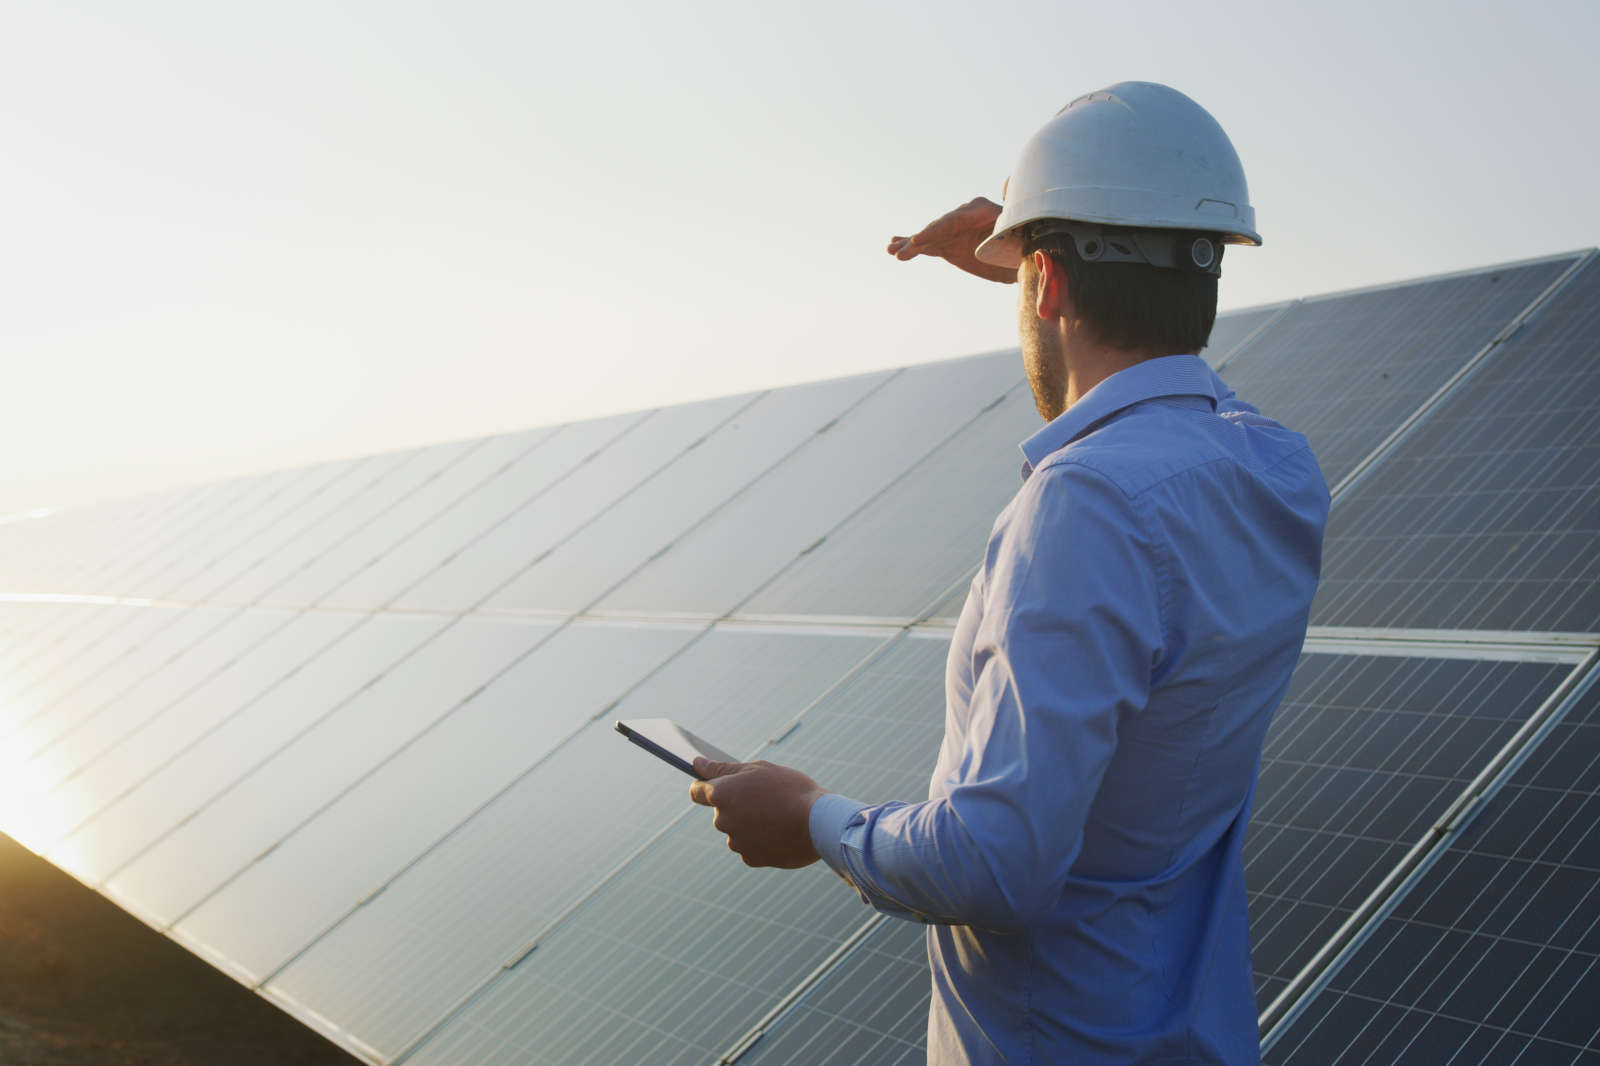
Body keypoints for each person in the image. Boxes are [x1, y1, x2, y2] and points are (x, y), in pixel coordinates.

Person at [689, 81, 1328, 1065]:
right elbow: (1166, 369)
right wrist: (1047, 256)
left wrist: (810, 818)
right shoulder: (1275, 472)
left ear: (1045, 286)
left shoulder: (1086, 502)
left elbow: (994, 862)